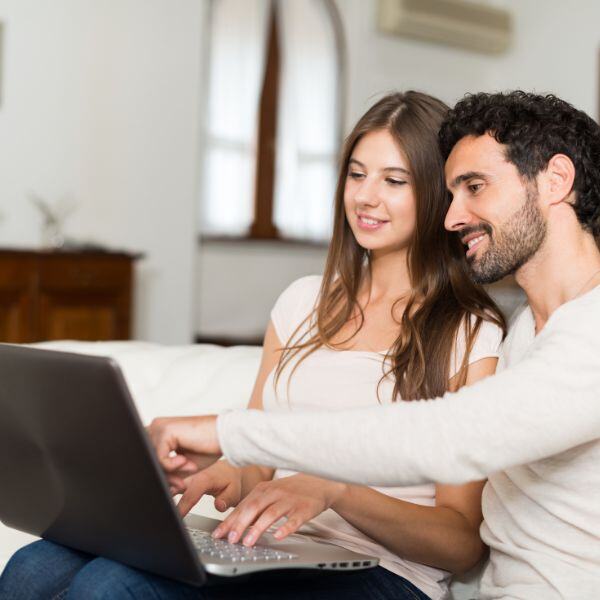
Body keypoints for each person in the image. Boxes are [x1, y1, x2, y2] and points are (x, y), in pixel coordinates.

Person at [0, 91, 506, 600]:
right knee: (35, 564)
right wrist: (220, 474)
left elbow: (461, 542)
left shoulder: (469, 333)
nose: (365, 197)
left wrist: (335, 490)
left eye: (393, 181)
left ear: (441, 194)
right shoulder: (302, 303)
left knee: (110, 586)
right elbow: (261, 462)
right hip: (275, 547)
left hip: (385, 574)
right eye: (356, 174)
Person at [145, 91, 600, 600]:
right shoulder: (527, 331)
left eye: (475, 187)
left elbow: (447, 436)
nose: (451, 218)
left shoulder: (583, 334)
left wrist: (233, 434)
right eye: (451, 194)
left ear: (557, 180)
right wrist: (233, 466)